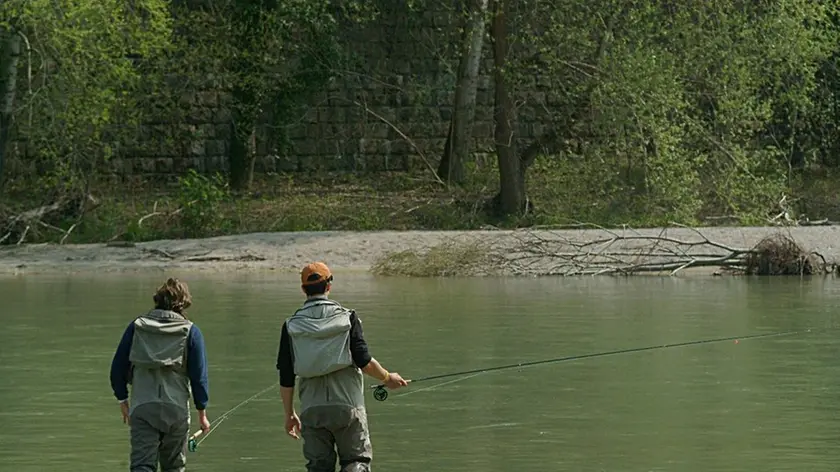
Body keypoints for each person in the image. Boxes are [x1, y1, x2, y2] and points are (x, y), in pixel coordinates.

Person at [277, 262, 408, 472]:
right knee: (357, 462)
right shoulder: (348, 318)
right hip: (348, 407)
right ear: (329, 286)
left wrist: (289, 414)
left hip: (312, 409)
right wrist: (387, 378)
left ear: (303, 289)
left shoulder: (290, 326)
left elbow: (286, 376)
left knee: (318, 467)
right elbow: (365, 362)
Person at [109, 277, 211, 472]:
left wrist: (122, 400)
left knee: (142, 466)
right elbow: (199, 377)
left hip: (142, 406)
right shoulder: (191, 331)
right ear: (184, 303)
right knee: (174, 467)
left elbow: (117, 369)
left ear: (157, 299)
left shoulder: (136, 327)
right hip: (176, 410)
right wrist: (202, 413)